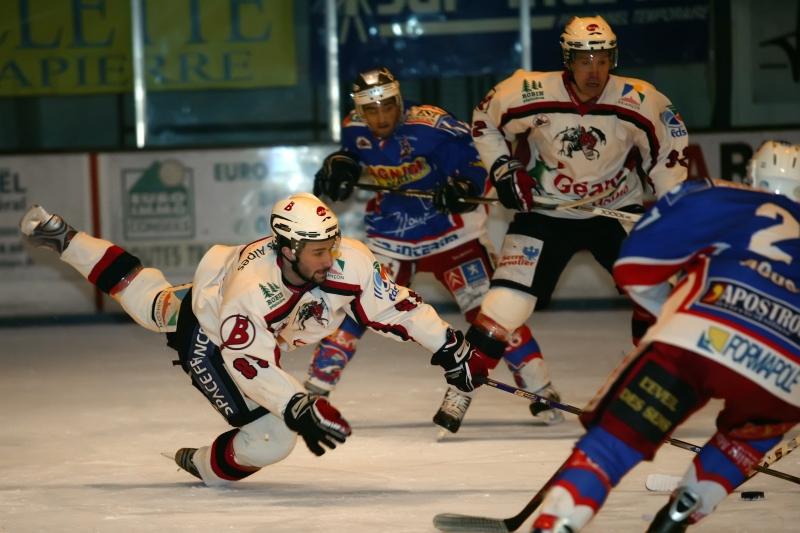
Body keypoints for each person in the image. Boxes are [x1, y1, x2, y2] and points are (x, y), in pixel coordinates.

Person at [18, 192, 487, 486]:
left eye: (332, 246)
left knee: (151, 301)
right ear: (288, 249)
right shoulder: (251, 293)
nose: (330, 260)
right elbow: (251, 364)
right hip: (210, 336)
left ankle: (65, 238)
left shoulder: (348, 260)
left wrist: (450, 347)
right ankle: (204, 465)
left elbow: (395, 306)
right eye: (318, 252)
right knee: (271, 439)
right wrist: (297, 405)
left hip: (237, 312)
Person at [524, 140, 800, 532]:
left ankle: (557, 522)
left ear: (752, 176)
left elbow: (634, 266)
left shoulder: (720, 195)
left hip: (699, 338)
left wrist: (665, 315)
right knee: (744, 441)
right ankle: (679, 514)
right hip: (788, 372)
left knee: (611, 446)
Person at [311, 66, 561, 432]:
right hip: (393, 236)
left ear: (399, 101)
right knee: (356, 308)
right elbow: (355, 153)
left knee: (492, 314)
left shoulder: (433, 126)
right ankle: (314, 389)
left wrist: (464, 185)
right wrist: (342, 164)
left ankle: (539, 388)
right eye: (371, 110)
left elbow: (477, 159)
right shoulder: (354, 127)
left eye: (387, 107)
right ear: (359, 110)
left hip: (452, 235)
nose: (380, 118)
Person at [464, 15, 689, 400]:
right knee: (505, 304)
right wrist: (503, 169)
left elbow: (669, 148)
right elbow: (485, 119)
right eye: (585, 61)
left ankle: (650, 385)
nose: (595, 71)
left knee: (655, 294)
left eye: (603, 60)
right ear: (568, 60)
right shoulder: (529, 90)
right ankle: (461, 388)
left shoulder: (640, 98)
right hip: (547, 211)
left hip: (615, 210)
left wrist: (670, 203)